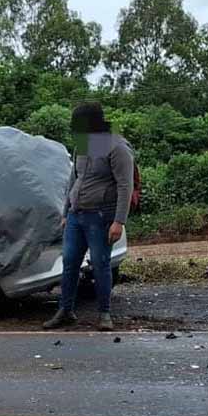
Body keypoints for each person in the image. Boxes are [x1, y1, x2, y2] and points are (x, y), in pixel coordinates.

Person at [44, 101, 134, 332]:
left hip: (100, 216)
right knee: (69, 262)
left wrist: (119, 221)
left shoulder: (117, 147)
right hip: (76, 215)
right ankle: (65, 310)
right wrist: (66, 212)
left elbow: (125, 185)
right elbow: (73, 180)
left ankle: (104, 314)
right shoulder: (83, 145)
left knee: (100, 264)